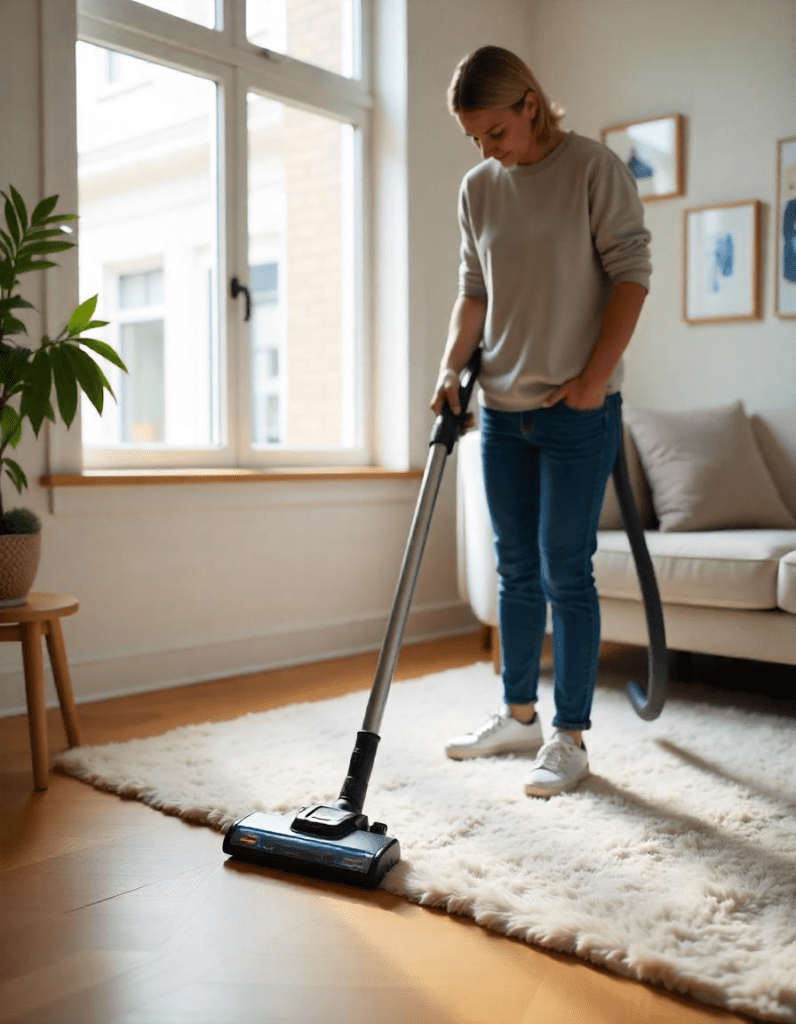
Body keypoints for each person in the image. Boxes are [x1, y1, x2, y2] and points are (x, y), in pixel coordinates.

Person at [432, 46, 651, 797]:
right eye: (475, 139)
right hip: (502, 410)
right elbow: (473, 292)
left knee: (566, 569)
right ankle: (518, 714)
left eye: (494, 132)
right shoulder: (478, 188)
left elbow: (631, 275)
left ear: (530, 103)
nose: (487, 151)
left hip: (575, 410)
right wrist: (447, 369)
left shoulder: (594, 169)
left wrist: (594, 381)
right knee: (516, 567)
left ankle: (569, 737)